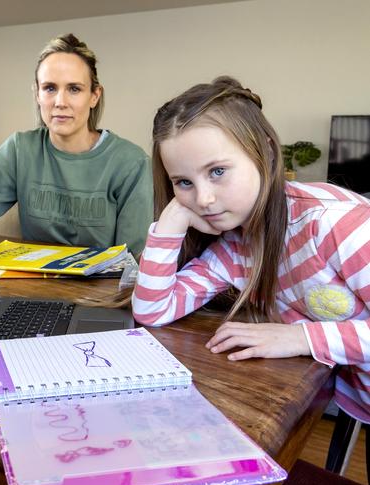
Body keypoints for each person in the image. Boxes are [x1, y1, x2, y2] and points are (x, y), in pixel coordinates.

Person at [132, 76, 370, 423]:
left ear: (267, 153)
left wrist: (301, 337)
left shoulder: (337, 224)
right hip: (356, 399)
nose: (203, 199)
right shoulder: (236, 248)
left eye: (217, 171)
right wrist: (171, 223)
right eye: (184, 182)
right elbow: (151, 310)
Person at [0, 33, 153, 256]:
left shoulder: (131, 162)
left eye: (74, 89)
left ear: (94, 96)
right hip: (32, 285)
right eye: (49, 88)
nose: (60, 102)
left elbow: (134, 259)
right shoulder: (20, 150)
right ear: (37, 94)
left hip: (103, 289)